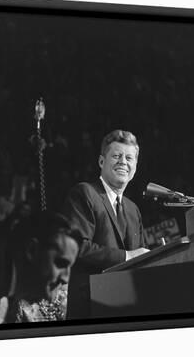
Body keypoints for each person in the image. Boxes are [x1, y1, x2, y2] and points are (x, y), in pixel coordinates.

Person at [61, 129, 149, 319]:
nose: (123, 162)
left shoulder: (134, 210)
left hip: (128, 308)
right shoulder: (85, 193)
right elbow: (77, 247)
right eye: (116, 156)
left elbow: (143, 257)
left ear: (135, 167)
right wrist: (127, 256)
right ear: (101, 161)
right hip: (90, 308)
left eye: (129, 158)